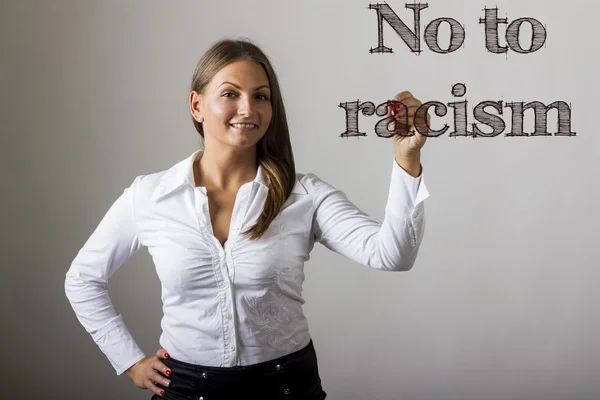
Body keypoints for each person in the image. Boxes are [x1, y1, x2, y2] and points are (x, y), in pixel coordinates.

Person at [64, 38, 430, 400]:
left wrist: (407, 159)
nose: (248, 109)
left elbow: (392, 255)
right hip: (187, 390)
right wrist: (129, 361)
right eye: (230, 94)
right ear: (197, 105)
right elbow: (82, 279)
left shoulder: (304, 195)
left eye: (260, 96)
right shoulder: (150, 195)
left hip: (286, 388)